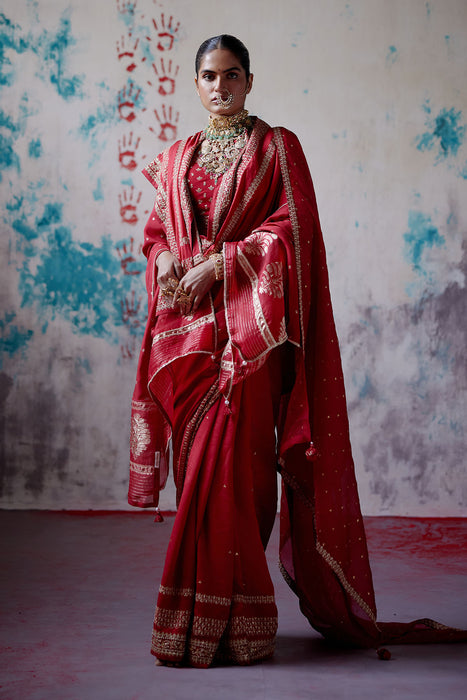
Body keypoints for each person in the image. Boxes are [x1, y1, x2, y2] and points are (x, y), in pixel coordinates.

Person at [128, 35, 465, 668]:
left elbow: (296, 231)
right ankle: (196, 618)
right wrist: (170, 258)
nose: (220, 87)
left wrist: (227, 262)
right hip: (191, 338)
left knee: (241, 475)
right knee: (201, 471)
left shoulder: (278, 148)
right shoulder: (176, 157)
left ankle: (241, 621)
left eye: (232, 76)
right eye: (209, 76)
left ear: (250, 81)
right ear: (195, 83)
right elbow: (156, 236)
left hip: (253, 338)